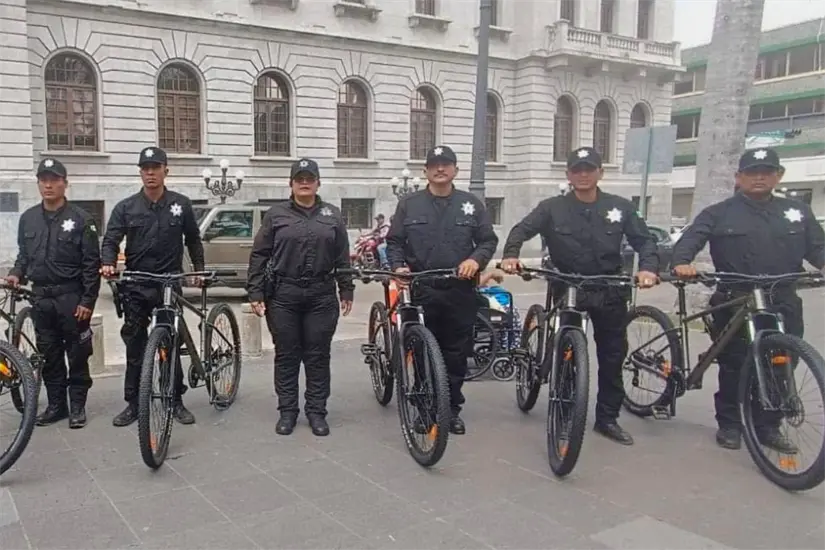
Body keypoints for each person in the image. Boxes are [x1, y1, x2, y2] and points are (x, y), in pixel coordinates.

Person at [500, 146, 659, 446]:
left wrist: (649, 269)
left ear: (601, 172)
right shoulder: (551, 207)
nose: (583, 174)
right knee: (568, 351)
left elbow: (645, 241)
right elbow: (522, 230)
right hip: (567, 284)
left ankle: (607, 418)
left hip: (609, 286)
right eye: (577, 169)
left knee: (613, 354)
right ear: (568, 174)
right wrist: (511, 255)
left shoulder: (621, 207)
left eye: (589, 168)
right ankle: (565, 410)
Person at [670, 147, 825, 452]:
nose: (759, 178)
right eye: (752, 172)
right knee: (735, 364)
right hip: (735, 301)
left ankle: (768, 426)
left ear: (778, 176)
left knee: (782, 364)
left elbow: (817, 248)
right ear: (738, 177)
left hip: (782, 301)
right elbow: (689, 241)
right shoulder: (718, 213)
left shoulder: (796, 212)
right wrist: (682, 263)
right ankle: (730, 423)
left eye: (766, 172)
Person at [385, 145, 499, 434]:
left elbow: (488, 240)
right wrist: (398, 266)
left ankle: (450, 409)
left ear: (455, 170)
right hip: (422, 290)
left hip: (459, 291)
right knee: (422, 351)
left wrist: (475, 260)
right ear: (425, 171)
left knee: (456, 354)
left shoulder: (471, 204)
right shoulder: (409, 204)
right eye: (434, 164)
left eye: (446, 164)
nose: (440, 169)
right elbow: (395, 241)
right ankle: (425, 408)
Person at [246, 158, 354, 437]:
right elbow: (260, 254)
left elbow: (342, 255)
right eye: (299, 178)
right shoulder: (276, 214)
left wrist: (346, 288)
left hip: (321, 295)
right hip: (284, 295)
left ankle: (317, 411)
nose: (304, 183)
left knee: (318, 356)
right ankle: (288, 411)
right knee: (287, 356)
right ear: (291, 183)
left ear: (318, 183)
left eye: (309, 178)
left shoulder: (332, 215)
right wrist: (255, 290)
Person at [100, 147, 204, 427]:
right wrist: (108, 261)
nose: (150, 173)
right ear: (140, 173)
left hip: (169, 284)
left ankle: (176, 401)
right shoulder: (126, 207)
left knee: (170, 343)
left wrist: (196, 269)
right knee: (135, 346)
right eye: (145, 168)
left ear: (165, 170)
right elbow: (110, 239)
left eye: (155, 167)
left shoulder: (180, 204)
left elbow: (193, 239)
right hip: (136, 284)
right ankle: (133, 403)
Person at [4, 158, 101, 428]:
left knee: (78, 353)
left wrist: (87, 301)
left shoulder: (82, 219)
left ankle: (78, 405)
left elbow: (91, 265)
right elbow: (25, 256)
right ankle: (57, 405)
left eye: (54, 179)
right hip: (41, 298)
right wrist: (15, 273)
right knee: (49, 355)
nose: (48, 184)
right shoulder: (29, 218)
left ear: (64, 183)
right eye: (43, 180)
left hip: (71, 297)